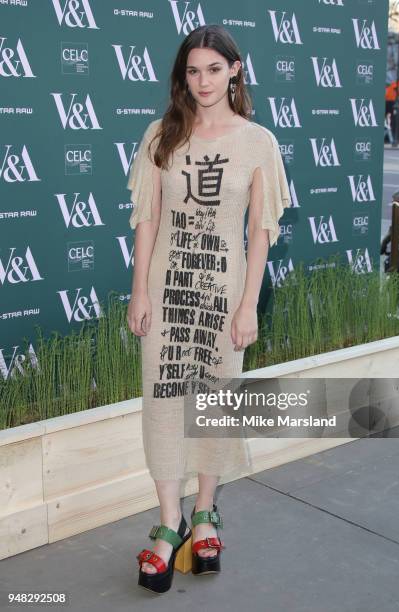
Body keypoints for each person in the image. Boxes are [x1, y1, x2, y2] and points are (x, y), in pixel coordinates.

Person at [126, 24, 291, 593]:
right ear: (183, 75)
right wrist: (139, 291)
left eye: (214, 70)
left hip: (224, 298)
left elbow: (260, 232)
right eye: (193, 71)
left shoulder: (257, 142)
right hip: (168, 294)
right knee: (166, 400)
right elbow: (147, 219)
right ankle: (169, 522)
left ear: (235, 70)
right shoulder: (160, 136)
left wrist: (248, 306)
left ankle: (205, 514)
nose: (203, 81)